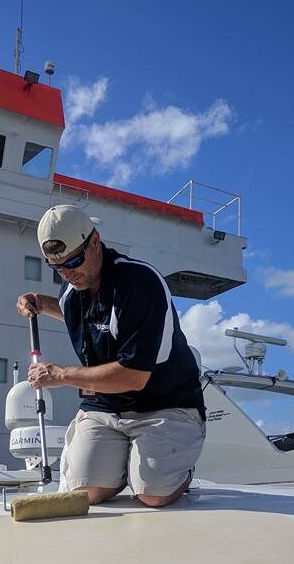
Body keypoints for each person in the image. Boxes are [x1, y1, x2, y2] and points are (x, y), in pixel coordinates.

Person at [16, 204, 206, 507]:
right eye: (58, 268)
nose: (68, 273)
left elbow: (133, 376)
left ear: (95, 241)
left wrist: (61, 375)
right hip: (104, 408)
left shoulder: (140, 283)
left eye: (74, 261)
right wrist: (38, 301)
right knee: (83, 493)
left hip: (165, 406)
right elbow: (84, 317)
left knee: (152, 494)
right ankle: (121, 466)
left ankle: (176, 473)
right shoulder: (73, 289)